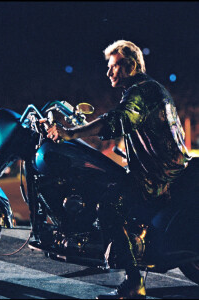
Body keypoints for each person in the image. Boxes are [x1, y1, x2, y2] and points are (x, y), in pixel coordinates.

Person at [46, 40, 192, 299]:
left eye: (114, 66)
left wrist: (70, 134)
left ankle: (134, 283)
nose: (109, 72)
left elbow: (117, 120)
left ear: (131, 66)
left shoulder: (141, 91)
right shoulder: (152, 88)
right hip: (168, 170)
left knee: (109, 205)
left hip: (157, 178)